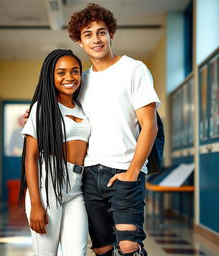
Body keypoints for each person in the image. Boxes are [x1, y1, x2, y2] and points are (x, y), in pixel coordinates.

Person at [24, 3, 160, 256]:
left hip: (124, 172)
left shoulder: (134, 69)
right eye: (88, 34)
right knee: (101, 248)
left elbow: (149, 125)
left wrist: (132, 172)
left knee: (129, 246)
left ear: (111, 34)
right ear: (79, 40)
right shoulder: (81, 79)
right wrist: (34, 115)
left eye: (101, 32)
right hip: (87, 176)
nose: (96, 39)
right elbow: (60, 106)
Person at [19, 49, 90, 256]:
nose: (69, 77)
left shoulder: (82, 107)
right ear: (50, 76)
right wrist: (35, 204)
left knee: (77, 252)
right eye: (61, 72)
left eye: (75, 71)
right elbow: (31, 158)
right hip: (47, 187)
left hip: (77, 187)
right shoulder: (42, 108)